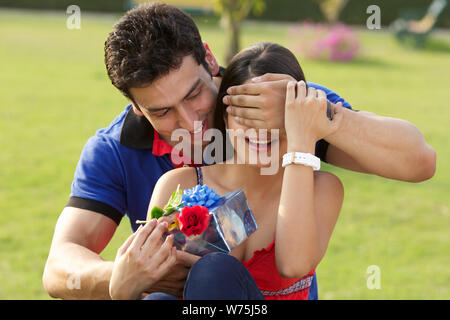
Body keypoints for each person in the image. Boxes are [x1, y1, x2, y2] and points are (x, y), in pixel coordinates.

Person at [42, 2, 436, 300]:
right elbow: (60, 267)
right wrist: (119, 277)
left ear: (210, 59)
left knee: (213, 275)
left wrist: (315, 115)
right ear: (136, 108)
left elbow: (419, 161)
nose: (190, 120)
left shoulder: (269, 101)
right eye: (162, 111)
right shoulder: (116, 150)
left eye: (194, 93)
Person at [136, 42, 344, 300]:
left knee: (214, 269)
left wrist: (303, 137)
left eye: (273, 117)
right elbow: (150, 285)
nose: (260, 130)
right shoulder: (178, 184)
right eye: (246, 115)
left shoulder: (322, 188)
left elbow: (293, 265)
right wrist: (121, 287)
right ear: (225, 117)